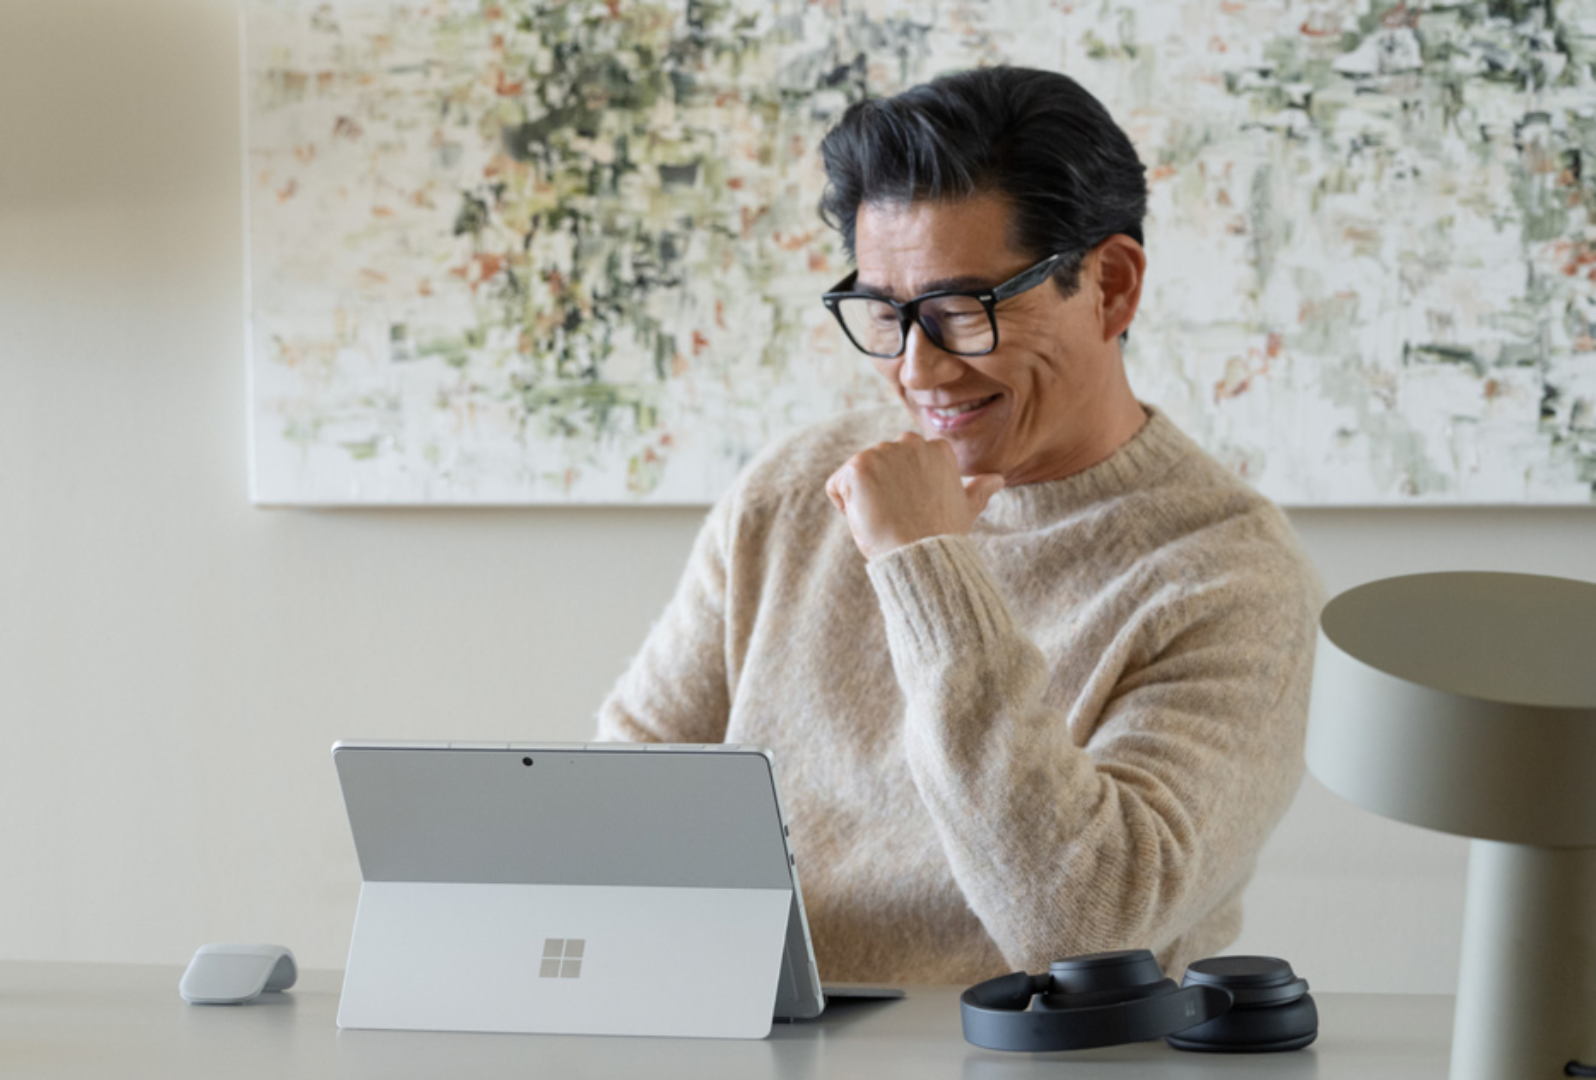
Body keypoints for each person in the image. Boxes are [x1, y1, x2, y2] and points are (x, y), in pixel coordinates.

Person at [596, 66, 1322, 985]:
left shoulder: (1231, 580)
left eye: (960, 311)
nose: (918, 371)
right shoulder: (792, 491)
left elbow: (1084, 930)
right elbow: (622, 803)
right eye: (886, 313)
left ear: (1113, 285)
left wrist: (926, 565)